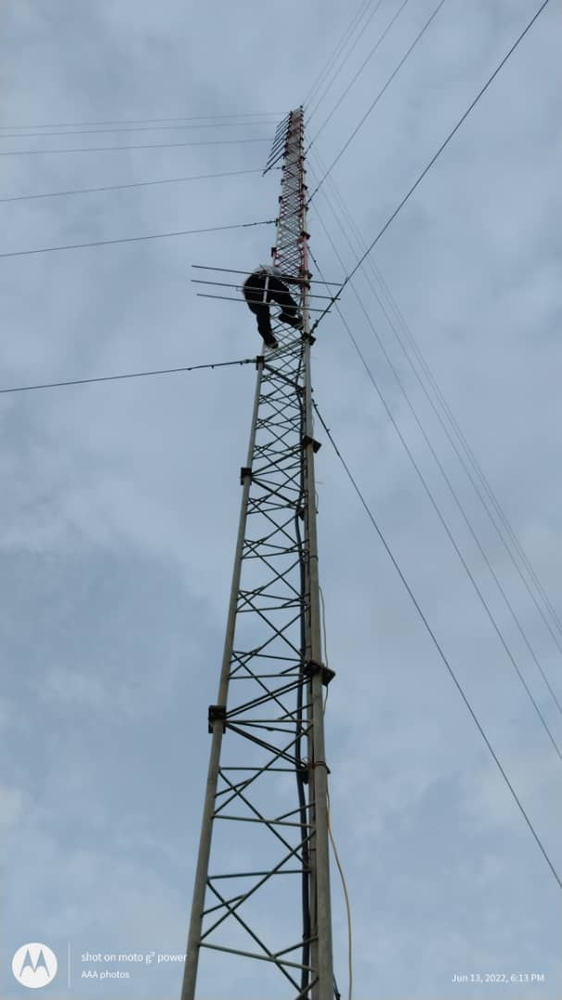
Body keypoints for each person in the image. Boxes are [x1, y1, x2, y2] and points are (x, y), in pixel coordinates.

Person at [242, 263, 303, 349]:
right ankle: (287, 315)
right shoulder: (273, 269)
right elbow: (285, 278)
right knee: (283, 293)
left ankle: (268, 336)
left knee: (262, 311)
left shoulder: (261, 269)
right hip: (264, 278)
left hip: (248, 287)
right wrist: (300, 281)